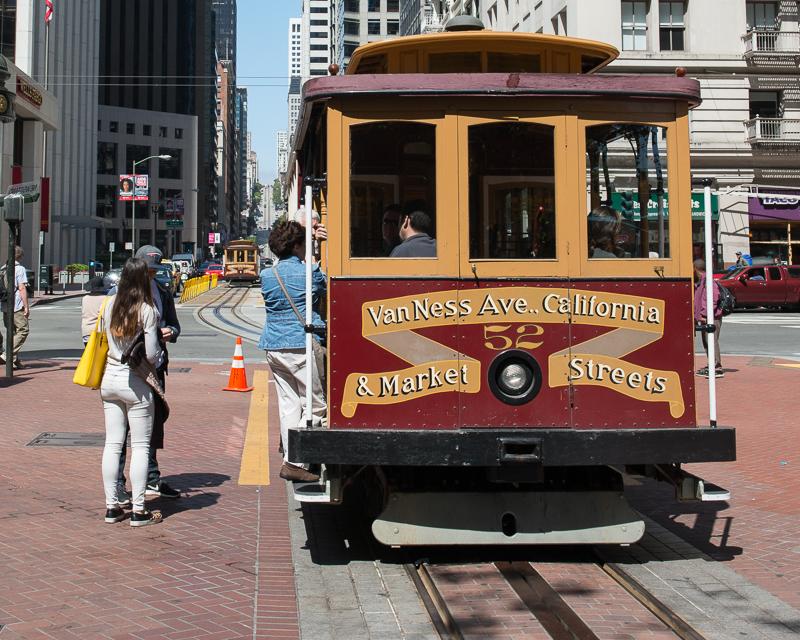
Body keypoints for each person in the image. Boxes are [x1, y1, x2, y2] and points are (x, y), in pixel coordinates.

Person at [259, 220, 327, 482]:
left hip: (274, 346)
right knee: (316, 405)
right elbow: (321, 286)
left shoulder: (267, 276)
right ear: (297, 245)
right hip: (301, 343)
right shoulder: (308, 272)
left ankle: (291, 455)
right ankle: (294, 460)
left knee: (289, 404)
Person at [112, 246, 182, 501]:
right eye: (148, 270)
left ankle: (152, 478)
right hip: (127, 369)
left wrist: (170, 333)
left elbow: (174, 325)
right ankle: (119, 485)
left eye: (155, 270)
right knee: (121, 432)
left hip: (153, 370)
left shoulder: (162, 292)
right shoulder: (118, 295)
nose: (152, 274)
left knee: (151, 427)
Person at [100, 258, 163, 526]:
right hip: (136, 383)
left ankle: (112, 507)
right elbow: (150, 354)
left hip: (109, 380)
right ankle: (139, 510)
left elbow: (104, 339)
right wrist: (158, 355)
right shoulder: (146, 309)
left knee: (113, 444)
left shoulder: (109, 304)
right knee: (139, 446)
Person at [1, 246, 30, 369]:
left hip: (5, 304)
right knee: (23, 329)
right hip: (16, 304)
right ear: (20, 256)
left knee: (12, 332)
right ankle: (7, 355)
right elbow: (22, 288)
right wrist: (26, 306)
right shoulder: (20, 269)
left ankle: (14, 361)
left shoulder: (3, 268)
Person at [693, 258, 724, 379]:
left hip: (712, 317)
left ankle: (717, 367)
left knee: (711, 341)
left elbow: (713, 298)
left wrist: (705, 314)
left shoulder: (708, 281)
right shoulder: (701, 281)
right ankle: (711, 363)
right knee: (707, 342)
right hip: (706, 316)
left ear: (696, 269)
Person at [81, 276, 110, 345]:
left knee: (89, 354)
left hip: (86, 330)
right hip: (100, 331)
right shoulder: (106, 299)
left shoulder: (85, 298)